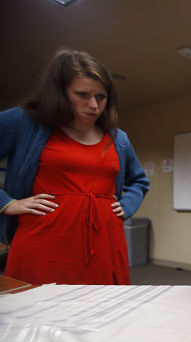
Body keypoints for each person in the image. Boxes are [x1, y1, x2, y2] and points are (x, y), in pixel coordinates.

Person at [0, 48, 149, 285]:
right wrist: (8, 203)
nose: (94, 105)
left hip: (105, 244)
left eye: (101, 97)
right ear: (59, 92)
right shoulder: (25, 122)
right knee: (39, 316)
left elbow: (139, 181)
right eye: (82, 94)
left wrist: (128, 204)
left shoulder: (118, 139)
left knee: (102, 314)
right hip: (43, 244)